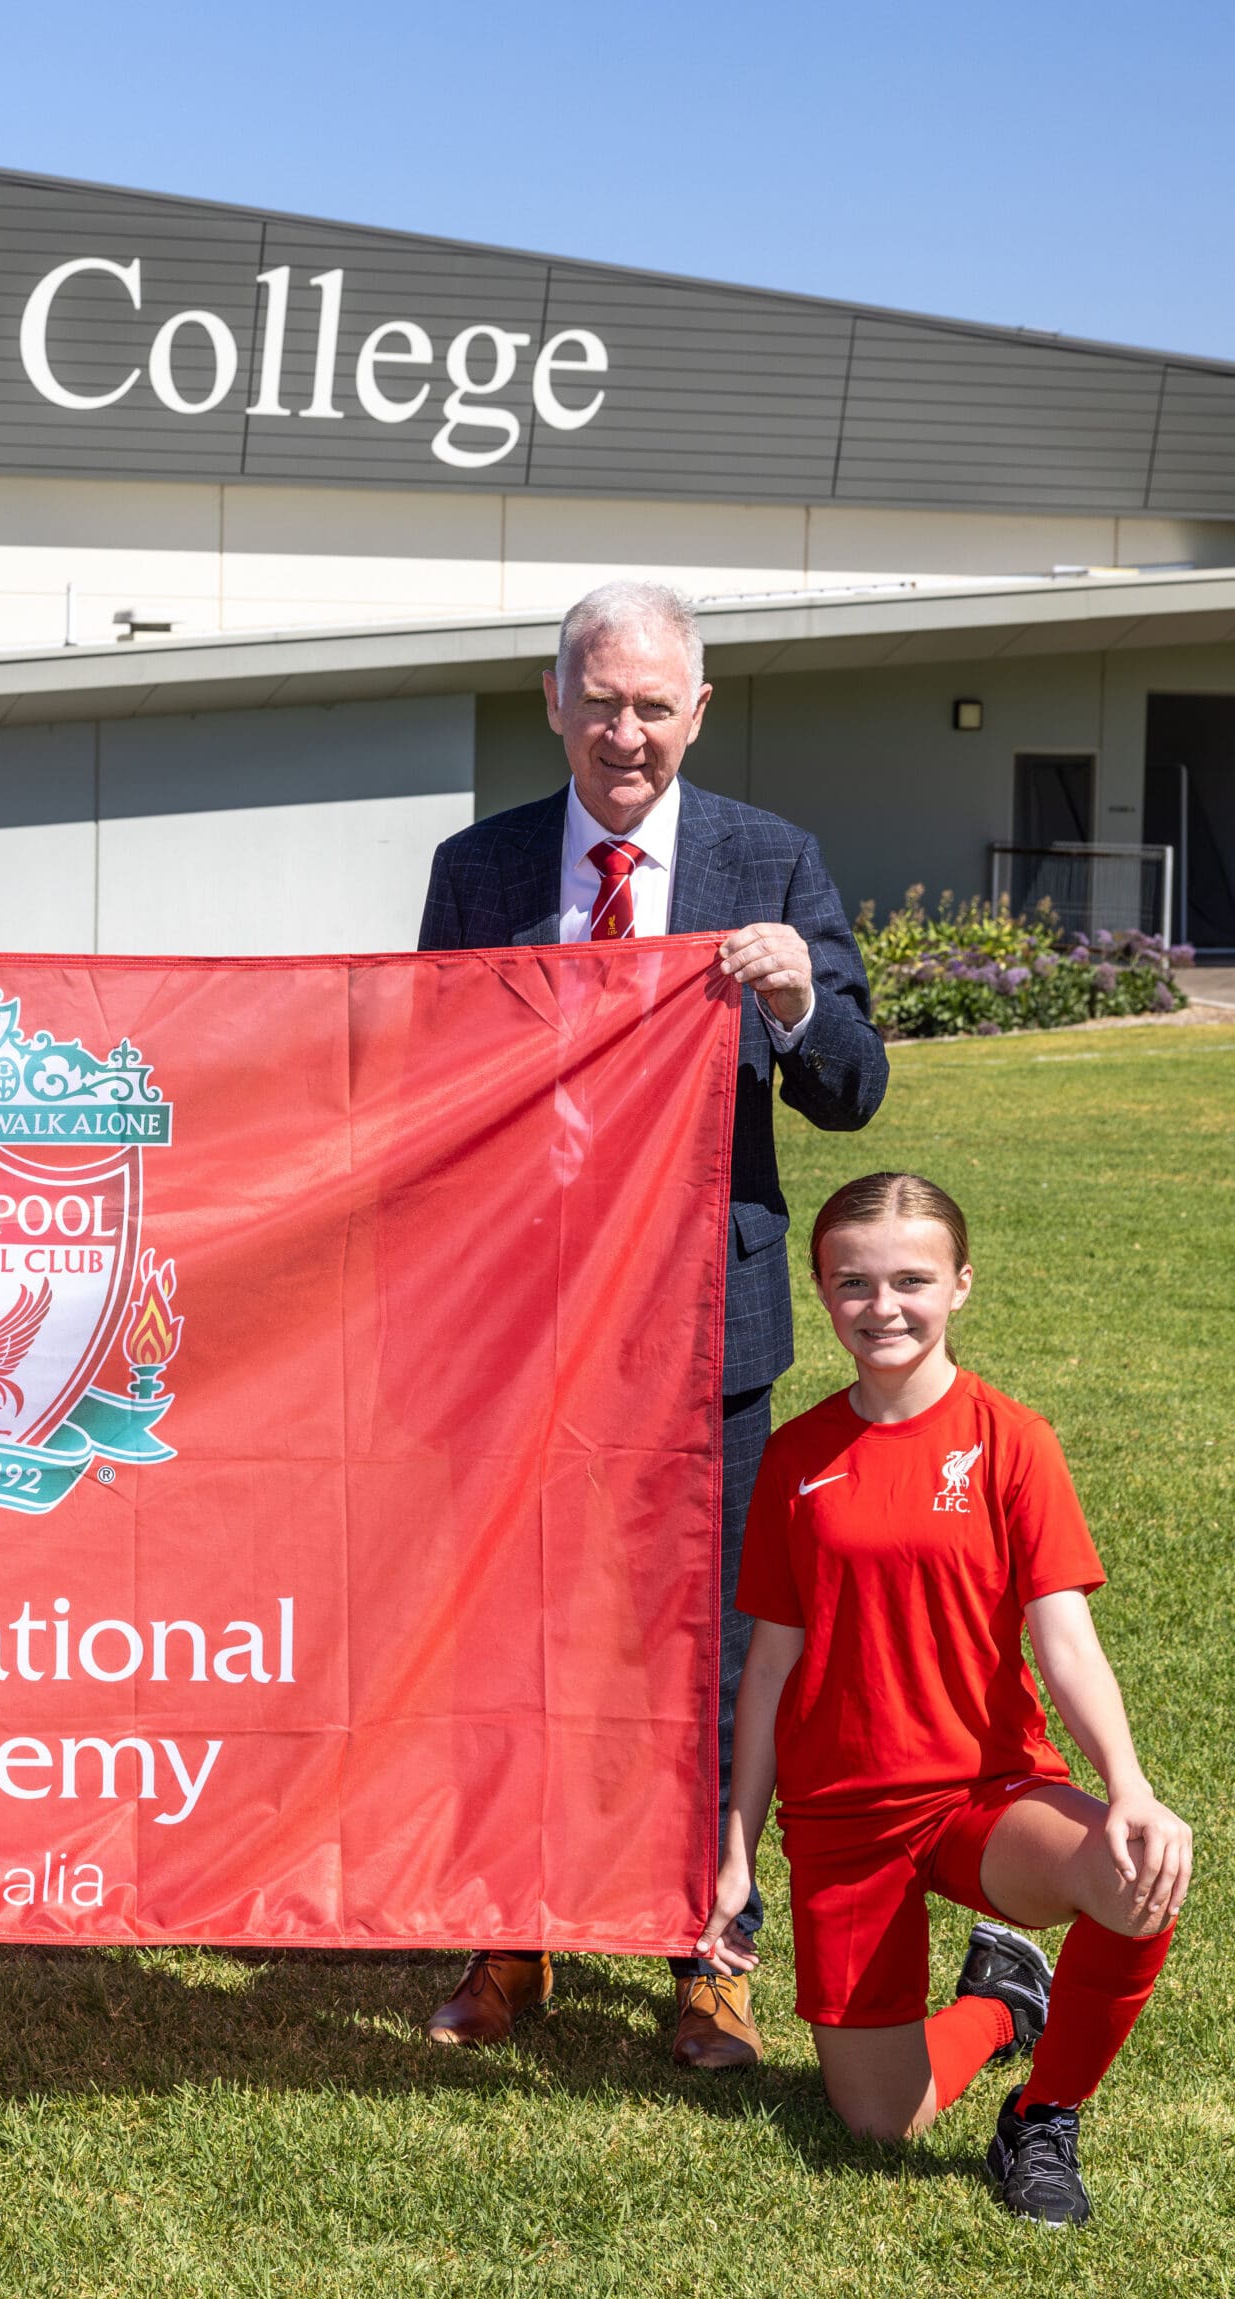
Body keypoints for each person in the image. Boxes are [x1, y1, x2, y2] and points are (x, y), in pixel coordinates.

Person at [416, 579, 890, 2067]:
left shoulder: (770, 857)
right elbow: (427, 1080)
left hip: (707, 1328)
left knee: (725, 1650)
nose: (625, 730)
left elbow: (856, 1087)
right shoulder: (478, 867)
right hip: (526, 1327)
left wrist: (804, 998)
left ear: (699, 710)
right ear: (553, 701)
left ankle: (712, 1946)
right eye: (599, 699)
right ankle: (514, 1925)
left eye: (652, 704)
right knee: (521, 1629)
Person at [699, 1172, 1190, 2226]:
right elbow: (769, 1670)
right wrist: (737, 1848)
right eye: (853, 1283)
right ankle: (1000, 1999)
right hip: (842, 1818)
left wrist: (1130, 1784)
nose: (883, 1306)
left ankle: (1043, 2113)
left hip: (983, 1791)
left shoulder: (1014, 1440)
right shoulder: (794, 1456)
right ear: (822, 1292)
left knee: (1132, 1872)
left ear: (960, 1283)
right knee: (877, 2124)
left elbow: (1065, 1641)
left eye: (911, 1279)